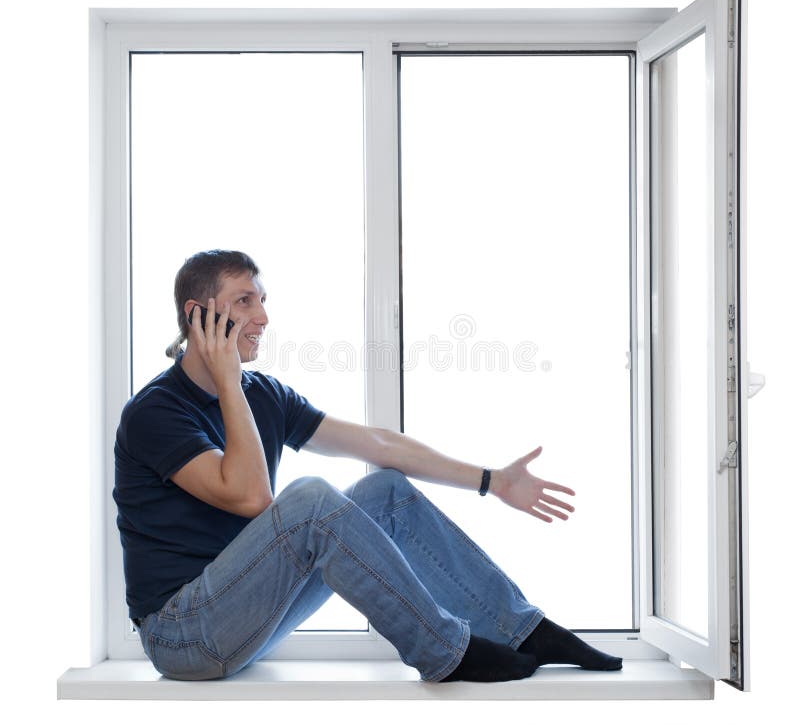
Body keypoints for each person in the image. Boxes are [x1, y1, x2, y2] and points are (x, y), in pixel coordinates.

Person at [113, 249, 623, 683]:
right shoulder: (156, 412)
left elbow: (378, 443)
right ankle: (445, 653)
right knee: (310, 499)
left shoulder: (261, 394)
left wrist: (491, 480)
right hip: (182, 634)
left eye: (263, 301)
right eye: (245, 301)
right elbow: (250, 497)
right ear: (197, 315)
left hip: (245, 614)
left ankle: (524, 629)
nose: (264, 318)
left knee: (383, 491)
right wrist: (227, 382)